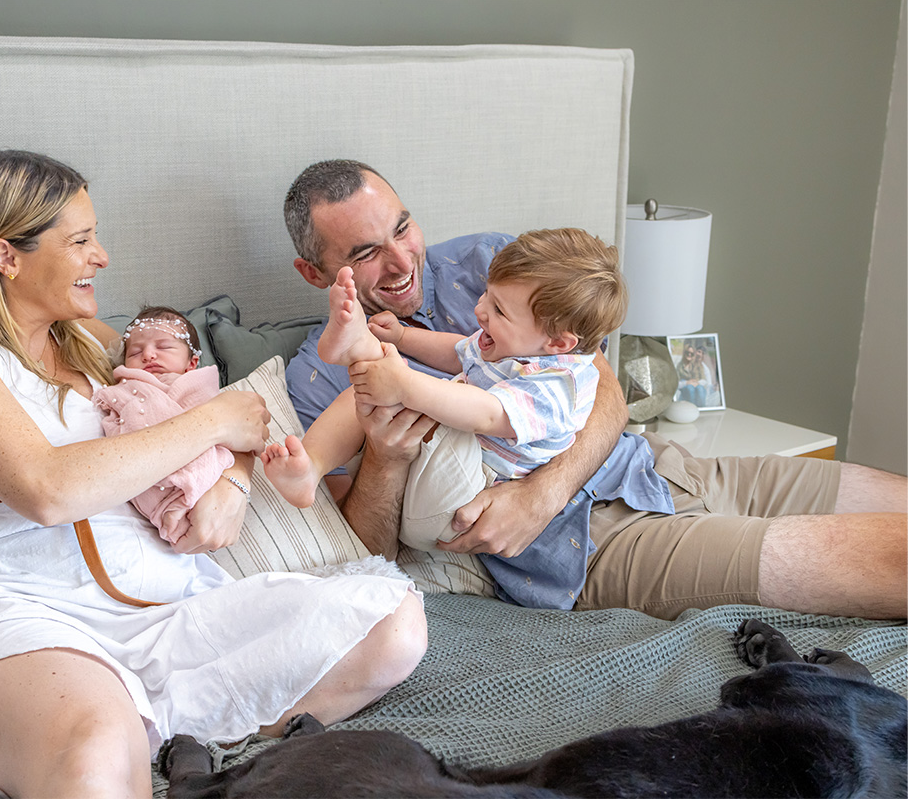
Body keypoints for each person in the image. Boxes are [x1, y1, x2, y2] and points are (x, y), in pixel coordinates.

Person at [0, 150, 426, 799]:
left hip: (166, 603)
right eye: (80, 240)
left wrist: (233, 482)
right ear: (6, 256)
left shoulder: (94, 346)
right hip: (17, 608)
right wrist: (214, 422)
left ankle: (164, 738)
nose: (101, 256)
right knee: (97, 745)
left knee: (392, 622)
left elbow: (235, 416)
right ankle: (120, 741)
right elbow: (47, 489)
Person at [282, 158, 907, 620]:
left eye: (403, 226)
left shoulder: (496, 264)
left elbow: (597, 384)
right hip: (591, 548)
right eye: (366, 252)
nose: (400, 260)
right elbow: (362, 553)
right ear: (314, 273)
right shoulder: (313, 379)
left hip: (649, 466)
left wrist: (543, 492)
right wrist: (387, 459)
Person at [263, 229, 626, 606]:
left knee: (406, 397)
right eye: (486, 293)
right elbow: (457, 352)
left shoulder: (557, 386)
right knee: (361, 395)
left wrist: (405, 383)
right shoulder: (513, 343)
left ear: (559, 344)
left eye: (499, 310)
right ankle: (311, 466)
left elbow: (485, 414)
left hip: (463, 499)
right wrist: (400, 339)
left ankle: (361, 349)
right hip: (432, 488)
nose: (480, 310)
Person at [91, 306, 234, 546]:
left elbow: (216, 420)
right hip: (146, 459)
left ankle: (187, 497)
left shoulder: (196, 383)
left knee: (219, 455)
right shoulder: (129, 385)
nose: (147, 355)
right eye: (135, 352)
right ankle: (173, 505)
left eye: (164, 347)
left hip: (197, 448)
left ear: (192, 363)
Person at [675, 341, 710, 406]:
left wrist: (697, 383)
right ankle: (691, 409)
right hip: (685, 387)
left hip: (698, 385)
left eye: (692, 353)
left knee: (700, 389)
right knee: (690, 388)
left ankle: (701, 409)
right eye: (687, 353)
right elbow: (676, 383)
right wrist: (687, 383)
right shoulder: (679, 366)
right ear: (684, 353)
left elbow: (705, 380)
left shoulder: (698, 365)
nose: (689, 355)